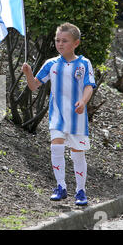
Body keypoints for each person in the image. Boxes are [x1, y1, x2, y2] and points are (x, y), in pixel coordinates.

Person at [22, 22, 96, 206]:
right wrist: (28, 73)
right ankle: (60, 187)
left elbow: (89, 86)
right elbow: (34, 85)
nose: (60, 44)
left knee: (78, 155)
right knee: (56, 147)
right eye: (57, 40)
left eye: (65, 41)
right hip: (57, 115)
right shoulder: (51, 64)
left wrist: (83, 101)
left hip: (77, 118)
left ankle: (80, 191)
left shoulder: (84, 63)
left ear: (76, 43)